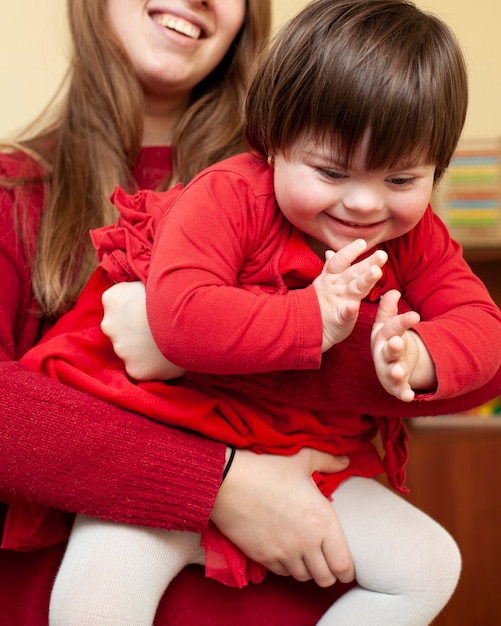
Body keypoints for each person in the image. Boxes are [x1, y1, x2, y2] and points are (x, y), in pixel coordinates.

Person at [18, 0, 501, 624]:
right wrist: (314, 323)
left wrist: (418, 357)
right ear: (271, 146)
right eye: (331, 171)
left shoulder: (417, 235)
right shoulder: (228, 193)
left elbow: (483, 329)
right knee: (96, 597)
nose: (364, 203)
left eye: (402, 180)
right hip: (172, 442)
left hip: (301, 464)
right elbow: (181, 315)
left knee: (429, 565)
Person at [0, 1, 369, 624]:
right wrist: (217, 485)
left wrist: (186, 336)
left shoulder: (313, 192)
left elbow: (402, 370)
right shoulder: (14, 196)